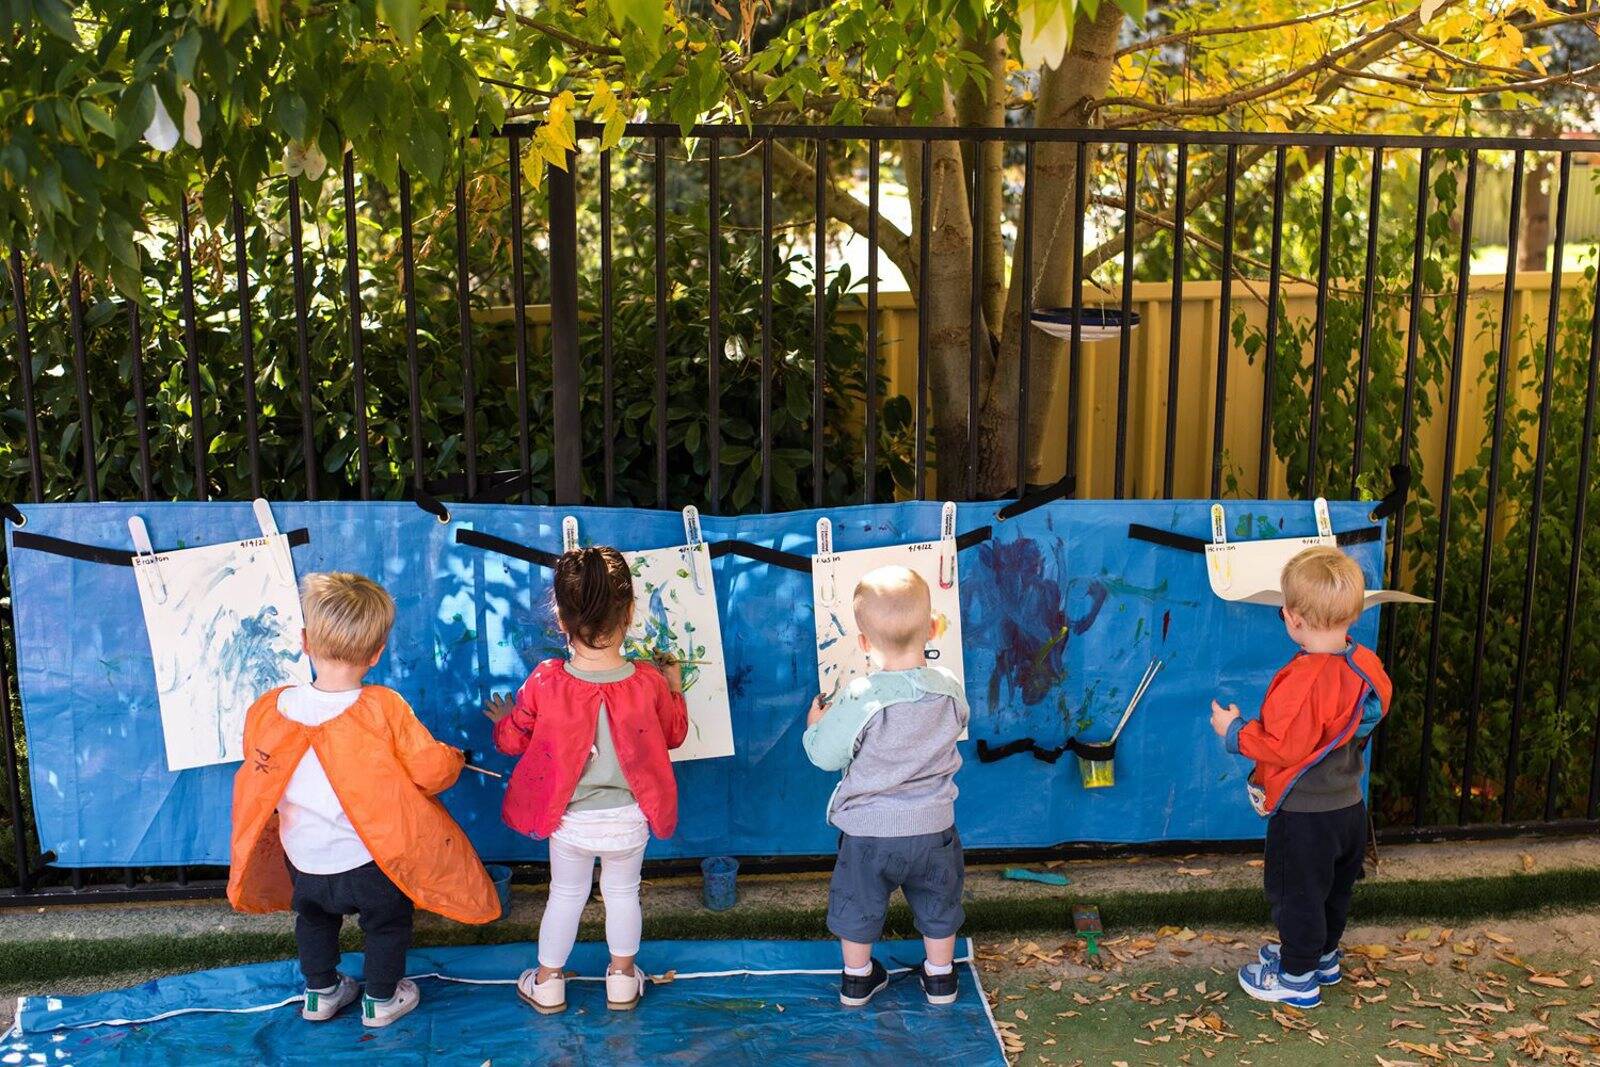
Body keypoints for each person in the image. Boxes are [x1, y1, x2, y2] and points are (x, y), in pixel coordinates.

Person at [228, 572, 498, 1028]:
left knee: (313, 922)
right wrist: (454, 757)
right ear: (376, 653)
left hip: (304, 861)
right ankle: (381, 999)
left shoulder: (269, 707)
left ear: (305, 641)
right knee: (387, 923)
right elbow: (430, 771)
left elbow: (258, 762)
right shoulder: (383, 707)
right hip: (371, 861)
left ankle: (320, 993)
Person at [486, 545, 688, 1015]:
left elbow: (514, 743)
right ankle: (621, 979)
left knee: (565, 895)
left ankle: (549, 981)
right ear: (632, 611)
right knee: (622, 894)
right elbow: (674, 734)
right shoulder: (648, 681)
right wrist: (674, 683)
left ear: (560, 618)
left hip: (570, 822)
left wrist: (506, 718)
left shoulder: (544, 680)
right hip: (629, 820)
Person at [1209, 545, 1392, 1009]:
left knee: (1297, 893)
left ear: (1294, 619)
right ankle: (1321, 955)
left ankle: (1295, 977)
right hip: (1349, 805)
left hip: (1305, 811)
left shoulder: (1306, 677)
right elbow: (1375, 709)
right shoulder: (1363, 662)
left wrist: (1235, 732)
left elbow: (1282, 744)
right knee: (1334, 888)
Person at [803, 564, 969, 1008]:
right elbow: (959, 722)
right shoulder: (950, 688)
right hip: (934, 828)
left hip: (868, 834)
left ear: (862, 643)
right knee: (939, 901)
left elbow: (823, 757)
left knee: (858, 906)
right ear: (933, 628)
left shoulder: (861, 695)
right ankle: (940, 978)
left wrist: (816, 724)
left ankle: (857, 979)